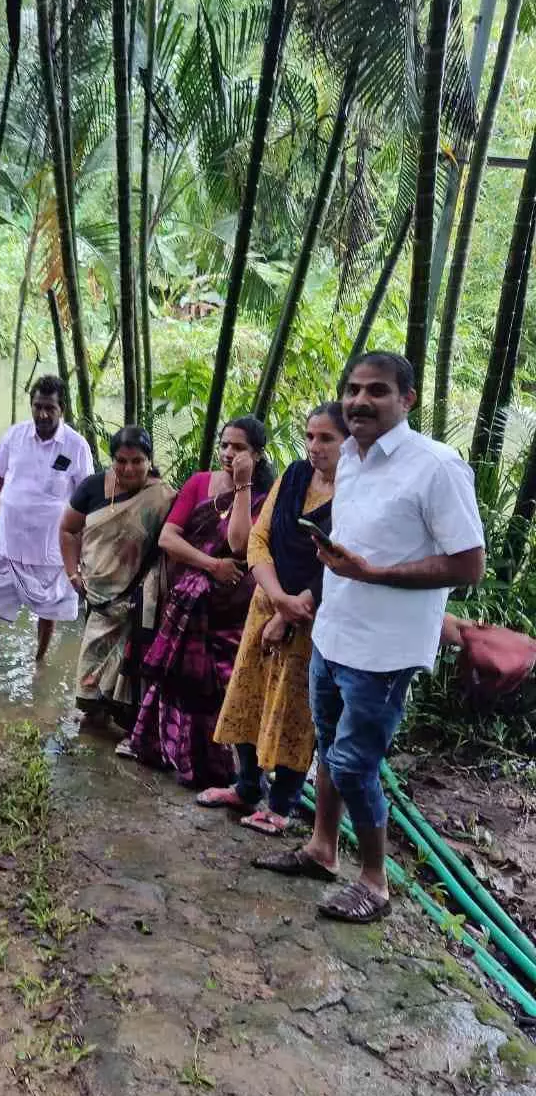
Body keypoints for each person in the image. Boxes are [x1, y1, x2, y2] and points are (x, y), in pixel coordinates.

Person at [256, 352, 485, 924]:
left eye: (377, 391)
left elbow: (469, 565)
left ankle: (375, 883)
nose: (360, 400)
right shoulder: (350, 459)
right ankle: (322, 848)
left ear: (406, 400)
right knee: (330, 750)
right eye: (353, 389)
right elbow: (361, 544)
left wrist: (374, 574)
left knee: (355, 764)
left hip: (385, 650)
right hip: (335, 632)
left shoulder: (436, 467)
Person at [208, 404, 348, 832]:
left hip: (311, 617)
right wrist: (277, 598)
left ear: (349, 443)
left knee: (292, 709)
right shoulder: (293, 477)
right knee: (247, 695)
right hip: (267, 604)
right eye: (310, 436)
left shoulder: (356, 494)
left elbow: (333, 565)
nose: (314, 446)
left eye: (326, 438)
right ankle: (246, 786)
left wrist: (291, 612)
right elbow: (258, 539)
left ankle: (282, 806)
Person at [125, 416, 274, 787]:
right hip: (189, 600)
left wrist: (242, 486)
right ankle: (168, 750)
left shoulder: (266, 497)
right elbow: (168, 539)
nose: (228, 453)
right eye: (224, 445)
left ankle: (226, 767)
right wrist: (212, 565)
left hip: (233, 607)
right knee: (179, 679)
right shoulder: (198, 483)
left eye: (238, 448)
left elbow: (242, 544)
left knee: (224, 681)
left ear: (257, 454)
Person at [60, 425, 175, 728]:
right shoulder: (93, 487)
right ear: (112, 460)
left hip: (139, 597)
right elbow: (68, 530)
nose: (129, 468)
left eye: (137, 461)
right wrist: (73, 573)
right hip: (97, 594)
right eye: (121, 461)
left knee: (130, 661)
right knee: (93, 657)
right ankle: (93, 710)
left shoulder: (163, 497)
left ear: (149, 460)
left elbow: (173, 547)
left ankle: (126, 720)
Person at [0, 376, 93, 662]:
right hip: (9, 540)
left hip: (50, 547)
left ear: (61, 408)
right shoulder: (14, 436)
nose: (42, 414)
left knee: (48, 609)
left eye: (49, 408)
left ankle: (38, 661)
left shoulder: (76, 446)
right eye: (37, 406)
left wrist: (81, 550)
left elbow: (86, 499)